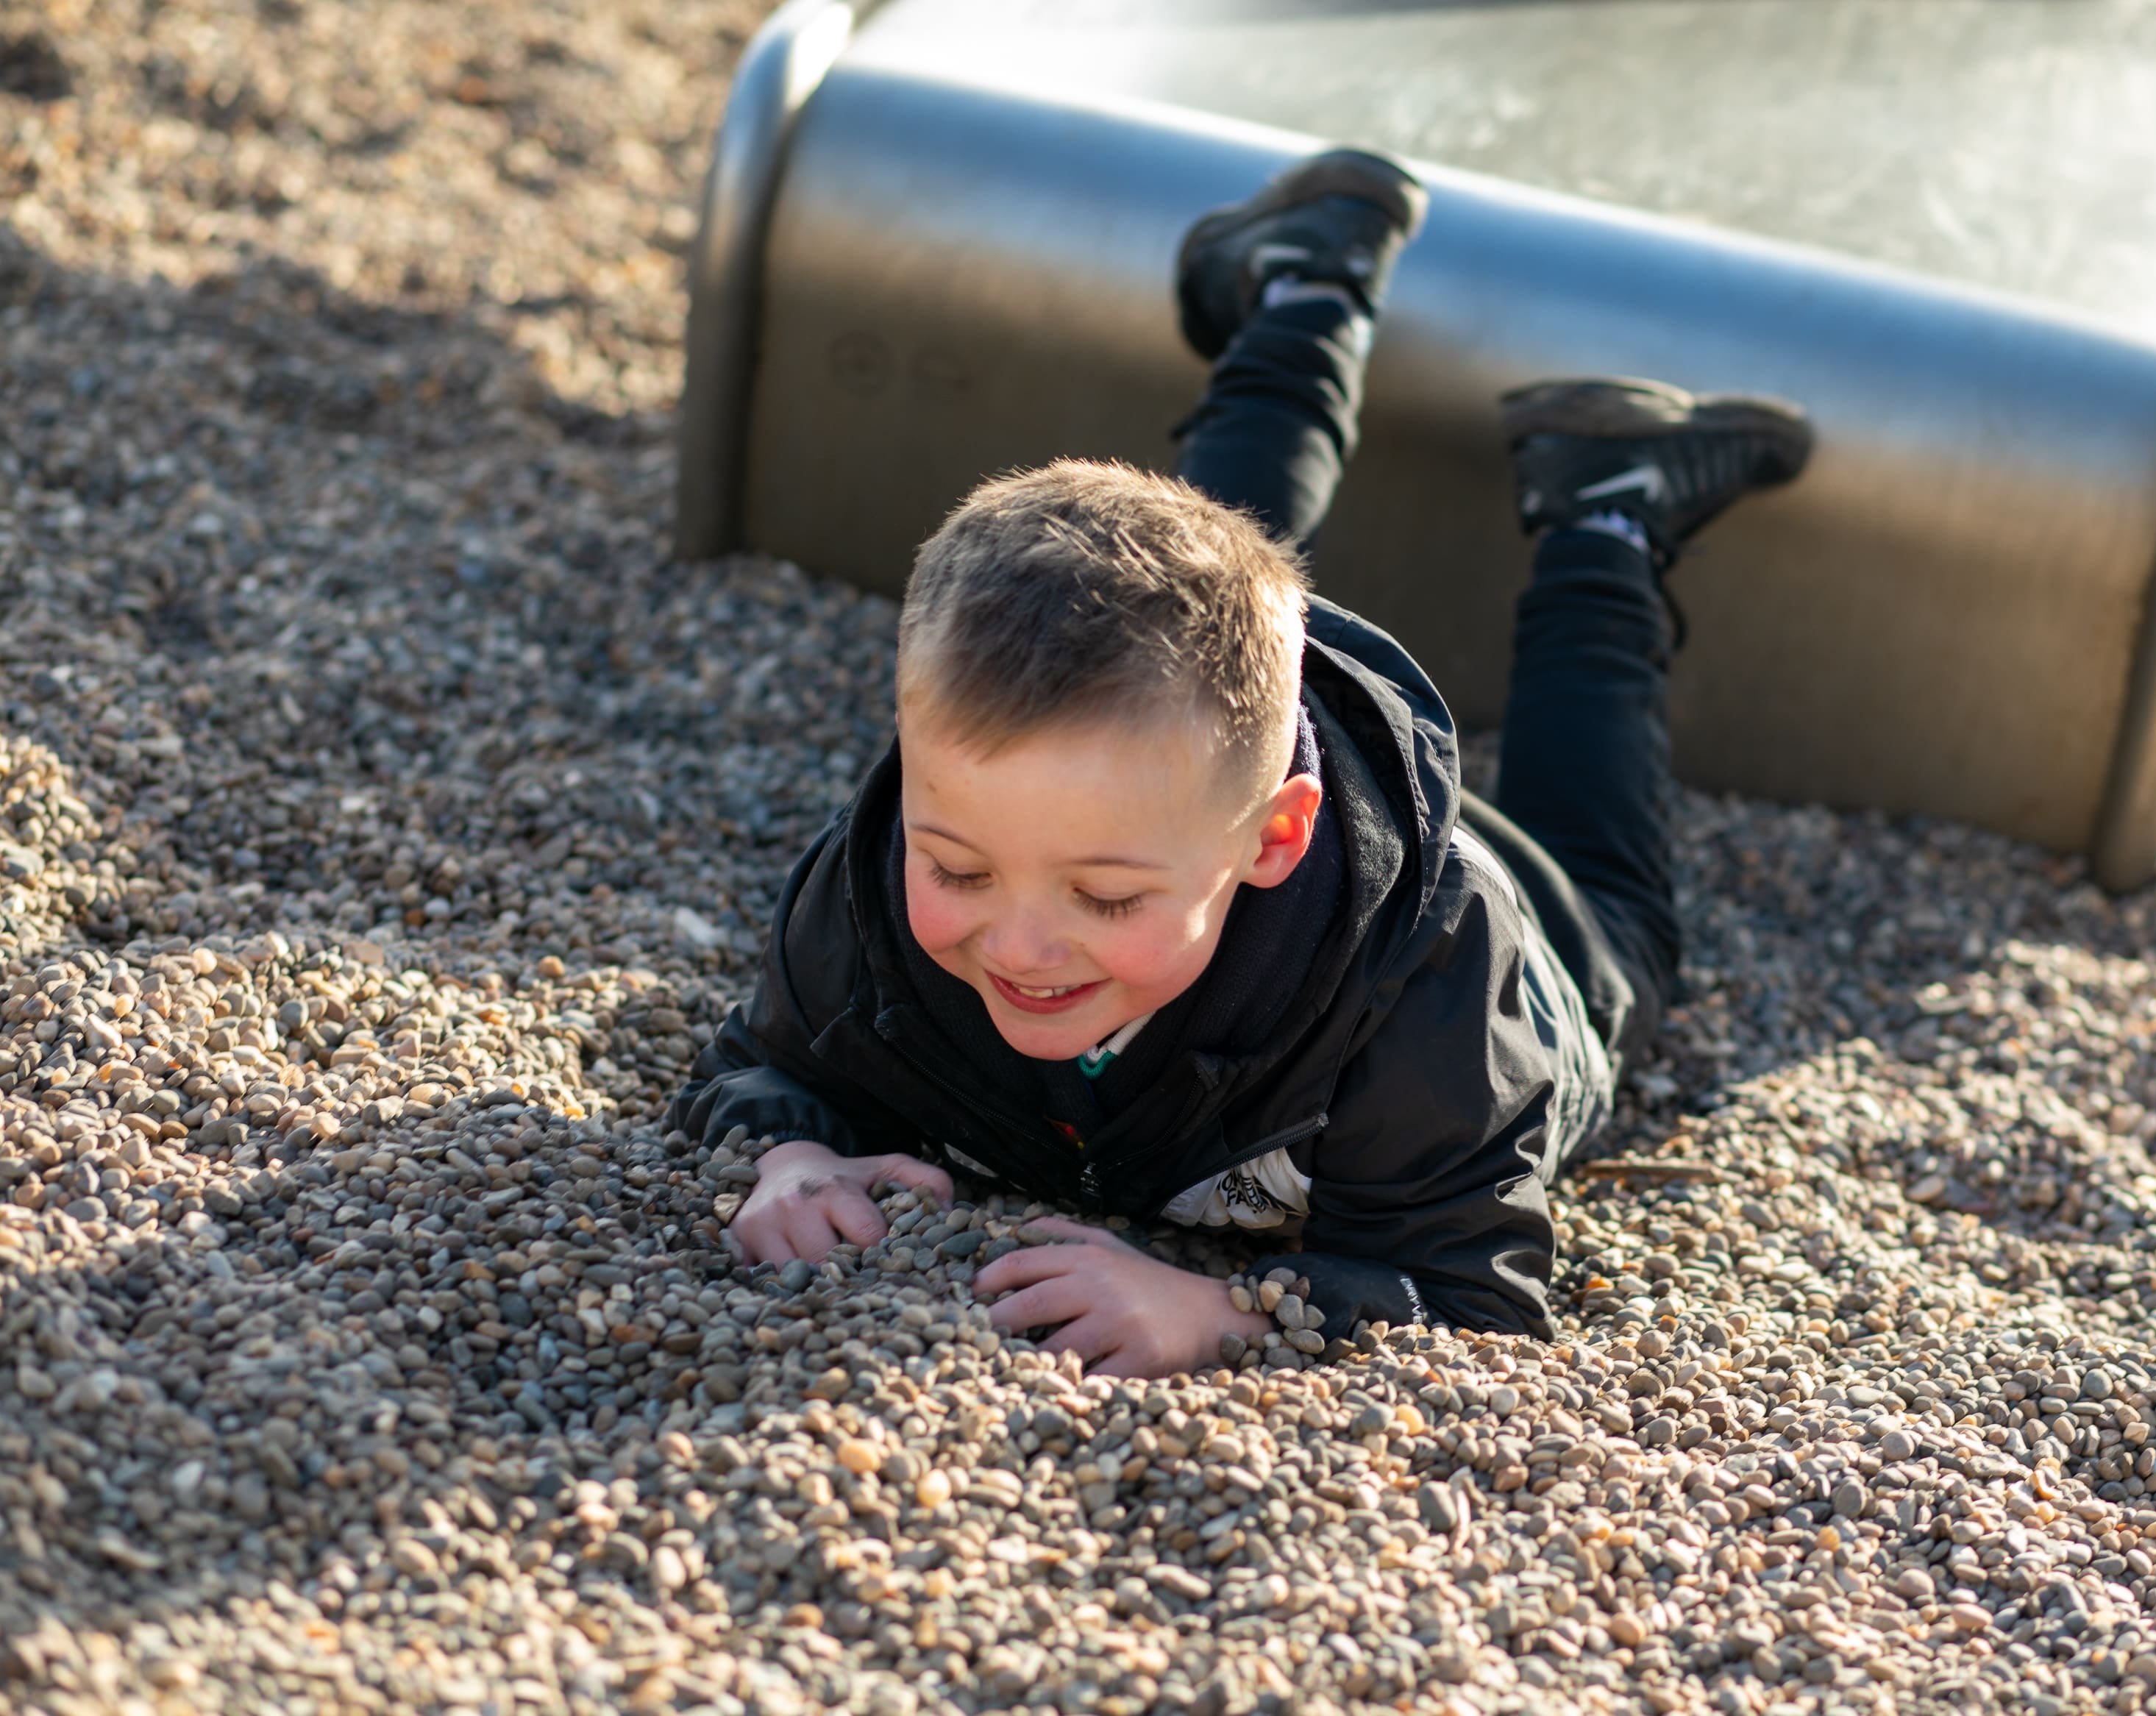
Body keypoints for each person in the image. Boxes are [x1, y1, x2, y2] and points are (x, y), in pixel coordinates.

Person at [672, 148, 1812, 1376]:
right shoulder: (877, 886)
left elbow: (1465, 1280)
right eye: (958, 866)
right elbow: (763, 1057)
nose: (1017, 944)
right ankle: (1307, 285)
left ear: (1273, 835)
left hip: (1535, 934)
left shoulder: (1423, 1010)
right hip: (1205, 778)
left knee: (1621, 904)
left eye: (1105, 897)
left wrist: (1227, 1314)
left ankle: (1610, 510)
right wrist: (790, 1155)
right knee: (1180, 573)